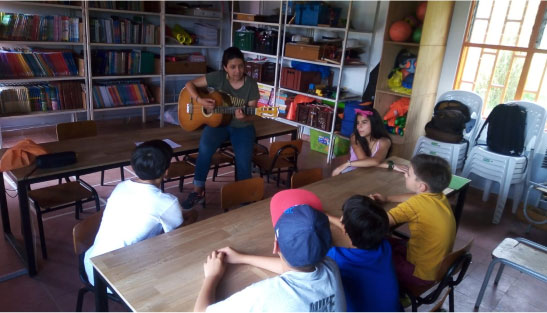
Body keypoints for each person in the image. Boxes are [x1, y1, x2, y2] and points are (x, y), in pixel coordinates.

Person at [194, 189, 346, 312]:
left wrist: (212, 277)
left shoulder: (266, 294)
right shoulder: (331, 267)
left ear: (276, 246)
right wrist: (243, 258)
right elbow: (290, 269)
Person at [84, 140, 196, 285]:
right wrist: (193, 215)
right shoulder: (167, 202)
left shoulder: (121, 186)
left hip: (93, 263)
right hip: (116, 280)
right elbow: (179, 235)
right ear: (166, 171)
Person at [182, 47, 259, 210]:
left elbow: (253, 114)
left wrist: (245, 117)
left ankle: (243, 193)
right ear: (225, 68)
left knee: (243, 159)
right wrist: (200, 100)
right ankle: (198, 191)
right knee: (205, 149)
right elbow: (189, 84)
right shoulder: (218, 77)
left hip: (242, 126)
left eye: (241, 66)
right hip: (217, 124)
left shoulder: (251, 85)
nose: (237, 71)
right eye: (232, 67)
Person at [369, 154, 456, 292]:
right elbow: (415, 197)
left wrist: (366, 206)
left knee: (369, 255)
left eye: (408, 174)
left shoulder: (416, 205)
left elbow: (377, 223)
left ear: (422, 186)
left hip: (418, 276)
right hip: (435, 268)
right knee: (386, 241)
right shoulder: (439, 196)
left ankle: (387, 293)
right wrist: (387, 198)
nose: (405, 176)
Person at [326, 195, 400, 311]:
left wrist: (325, 217)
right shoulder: (385, 246)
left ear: (344, 228)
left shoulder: (335, 256)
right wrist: (329, 217)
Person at [332, 108, 395, 176]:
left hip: (372, 175)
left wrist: (348, 163)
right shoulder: (355, 137)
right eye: (358, 123)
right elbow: (363, 160)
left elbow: (375, 161)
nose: (359, 126)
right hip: (353, 173)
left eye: (364, 122)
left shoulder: (384, 141)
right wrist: (389, 165)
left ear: (374, 123)